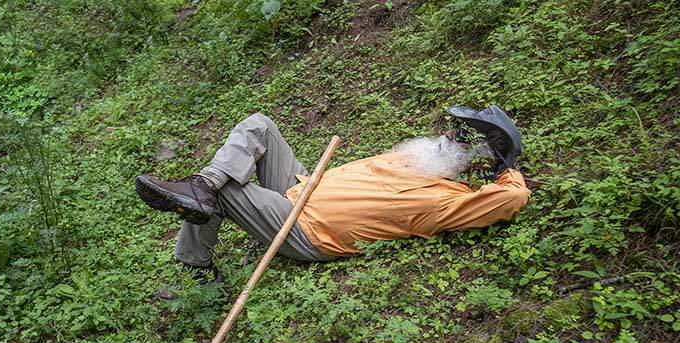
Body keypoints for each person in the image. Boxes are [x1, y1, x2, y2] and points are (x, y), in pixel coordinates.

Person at [136, 109, 529, 298]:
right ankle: (203, 184)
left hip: (305, 228)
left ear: (477, 161)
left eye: (460, 135)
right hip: (301, 187)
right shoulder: (420, 160)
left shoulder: (445, 202)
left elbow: (513, 197)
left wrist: (505, 166)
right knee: (259, 126)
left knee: (221, 194)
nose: (446, 133)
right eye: (454, 126)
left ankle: (196, 270)